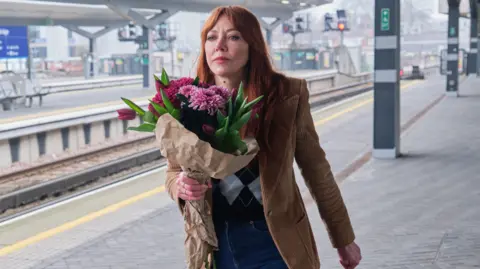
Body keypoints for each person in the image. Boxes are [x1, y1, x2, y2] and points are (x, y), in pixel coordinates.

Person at [165, 5, 361, 269]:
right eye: (212, 37)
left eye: (233, 37)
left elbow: (316, 168)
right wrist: (179, 186)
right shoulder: (188, 100)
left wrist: (343, 238)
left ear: (252, 45)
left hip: (274, 240)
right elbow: (173, 171)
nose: (220, 45)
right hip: (214, 243)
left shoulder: (286, 96)